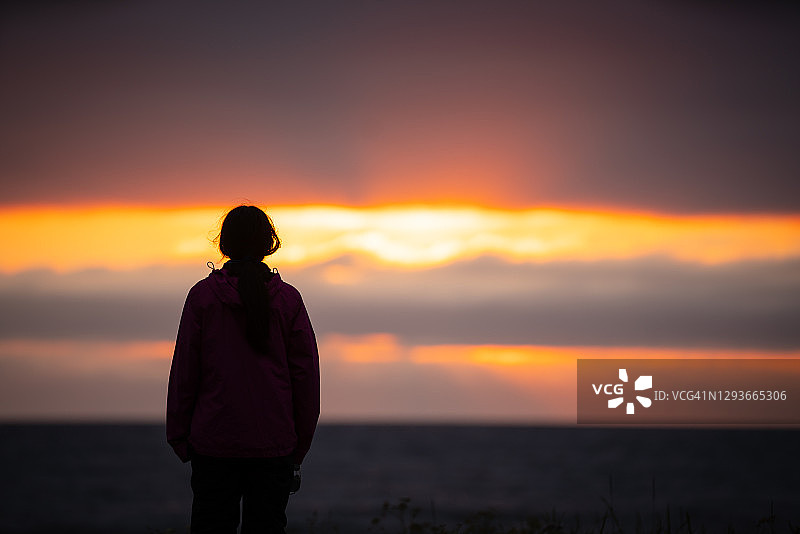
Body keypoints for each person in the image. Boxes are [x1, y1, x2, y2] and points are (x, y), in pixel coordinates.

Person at [167, 205, 320, 534]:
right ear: (269, 243)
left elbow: (184, 373)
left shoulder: (202, 297)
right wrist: (299, 447)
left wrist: (180, 437)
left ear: (225, 243)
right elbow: (306, 380)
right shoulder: (288, 300)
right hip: (274, 444)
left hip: (213, 443)